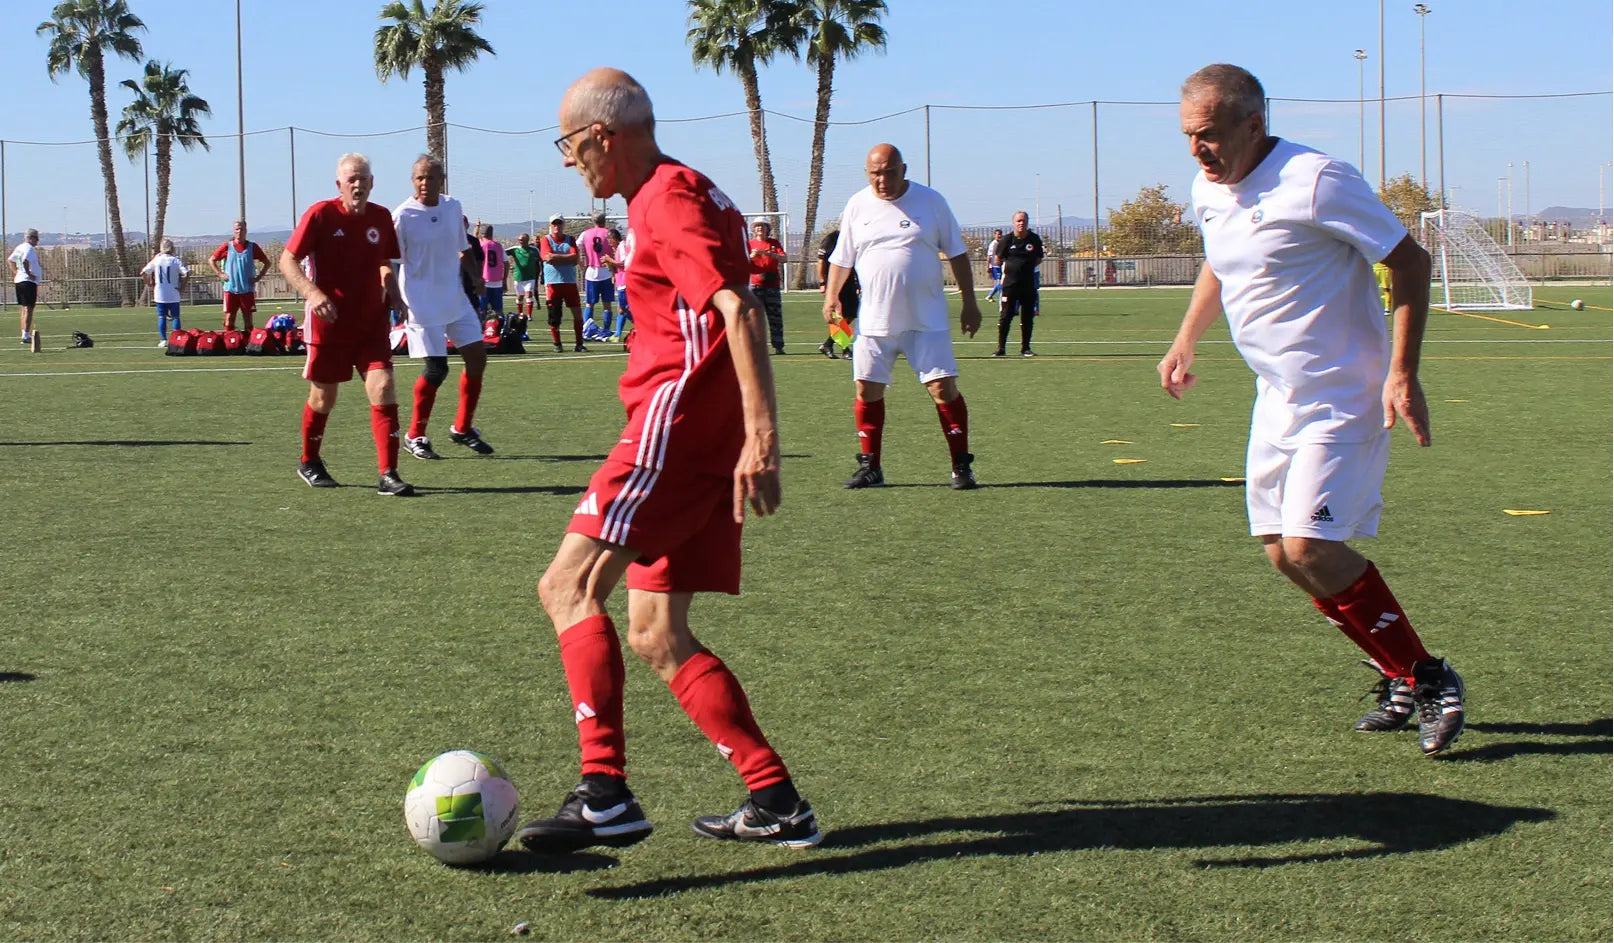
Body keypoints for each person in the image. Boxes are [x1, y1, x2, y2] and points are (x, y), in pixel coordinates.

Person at [515, 67, 820, 854]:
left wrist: (763, 435)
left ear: (602, 137)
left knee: (566, 586)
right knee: (654, 629)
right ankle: (776, 799)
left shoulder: (665, 199)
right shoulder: (693, 189)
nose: (567, 160)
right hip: (701, 440)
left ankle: (604, 791)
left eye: (569, 143)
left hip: (674, 425)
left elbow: (739, 308)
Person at [1158, 63, 1464, 756]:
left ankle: (1429, 677)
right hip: (1276, 399)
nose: (1197, 151)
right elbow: (1220, 260)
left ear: (1252, 124)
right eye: (1187, 137)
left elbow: (1409, 262)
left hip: (1342, 394)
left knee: (1310, 545)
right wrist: (1185, 338)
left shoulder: (1317, 179)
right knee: (1282, 555)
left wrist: (1402, 373)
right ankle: (1397, 674)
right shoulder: (1209, 188)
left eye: (1207, 135)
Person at [823, 143, 982, 491]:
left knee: (943, 387)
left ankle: (961, 465)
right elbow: (842, 258)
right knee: (866, 389)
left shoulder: (931, 201)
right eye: (875, 173)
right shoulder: (857, 204)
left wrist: (970, 301)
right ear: (867, 173)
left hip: (927, 319)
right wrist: (832, 296)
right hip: (874, 322)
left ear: (904, 169)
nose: (882, 180)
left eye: (889, 172)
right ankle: (871, 466)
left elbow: (956, 252)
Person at [279, 152, 414, 497]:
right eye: (351, 179)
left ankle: (389, 473)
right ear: (339, 184)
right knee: (324, 398)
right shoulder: (320, 215)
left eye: (363, 178)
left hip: (370, 323)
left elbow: (383, 261)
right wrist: (312, 293)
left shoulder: (382, 217)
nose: (358, 184)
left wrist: (394, 293)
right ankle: (309, 460)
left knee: (383, 388)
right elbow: (288, 260)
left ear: (372, 182)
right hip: (330, 325)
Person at [392, 154, 496, 461]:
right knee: (437, 369)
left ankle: (462, 428)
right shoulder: (402, 216)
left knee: (477, 359)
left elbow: (462, 248)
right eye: (419, 178)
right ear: (413, 181)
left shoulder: (452, 207)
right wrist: (393, 297)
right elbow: (389, 260)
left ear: (442, 180)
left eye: (431, 177)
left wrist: (476, 277)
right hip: (421, 303)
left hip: (454, 297)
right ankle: (415, 435)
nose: (425, 183)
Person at [993, 211, 1045, 357]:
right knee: (1006, 316)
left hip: (1028, 285)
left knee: (1027, 317)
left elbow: (1039, 258)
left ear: (1028, 222)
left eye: (1023, 221)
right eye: (1018, 221)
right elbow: (998, 259)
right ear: (1014, 223)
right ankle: (1001, 348)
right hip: (1010, 285)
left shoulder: (1034, 239)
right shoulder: (1007, 240)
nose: (1021, 223)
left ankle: (1025, 348)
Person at [209, 220, 270, 332]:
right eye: (237, 229)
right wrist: (220, 274)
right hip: (231, 289)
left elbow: (267, 263)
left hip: (247, 290)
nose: (239, 231)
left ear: (246, 230)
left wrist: (258, 277)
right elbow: (212, 260)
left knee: (248, 320)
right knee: (229, 319)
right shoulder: (227, 246)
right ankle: (230, 343)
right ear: (234, 231)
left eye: (242, 229)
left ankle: (249, 344)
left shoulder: (252, 247)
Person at [540, 213, 587, 352]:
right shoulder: (545, 240)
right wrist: (567, 258)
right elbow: (547, 258)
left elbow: (575, 258)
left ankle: (579, 343)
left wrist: (557, 257)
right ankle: (557, 344)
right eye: (554, 224)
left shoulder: (570, 240)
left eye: (559, 223)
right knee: (554, 315)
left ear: (563, 225)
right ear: (550, 225)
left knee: (577, 313)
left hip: (569, 282)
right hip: (553, 283)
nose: (557, 226)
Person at [814, 226, 859, 359]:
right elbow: (821, 261)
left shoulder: (854, 239)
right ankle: (845, 349)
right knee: (837, 315)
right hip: (834, 282)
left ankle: (828, 344)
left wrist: (857, 282)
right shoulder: (832, 238)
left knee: (851, 314)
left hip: (849, 282)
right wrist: (822, 282)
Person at [747, 219, 787, 355]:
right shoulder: (749, 244)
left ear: (767, 229)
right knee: (754, 318)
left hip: (772, 285)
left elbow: (784, 258)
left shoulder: (774, 243)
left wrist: (772, 255)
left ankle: (778, 346)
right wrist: (751, 256)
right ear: (753, 229)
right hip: (755, 285)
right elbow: (741, 262)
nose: (759, 228)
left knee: (775, 316)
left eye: (762, 226)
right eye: (757, 226)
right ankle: (755, 347)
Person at [141, 238, 189, 346]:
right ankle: (177, 340)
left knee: (161, 316)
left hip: (160, 292)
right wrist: (182, 287)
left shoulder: (157, 259)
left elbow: (143, 272)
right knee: (176, 316)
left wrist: (148, 284)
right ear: (172, 248)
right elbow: (186, 274)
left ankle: (163, 340)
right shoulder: (175, 260)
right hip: (173, 292)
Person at [578, 210, 616, 339]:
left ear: (592, 221)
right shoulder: (609, 233)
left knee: (589, 303)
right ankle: (606, 330)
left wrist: (580, 262)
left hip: (591, 271)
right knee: (607, 305)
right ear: (604, 220)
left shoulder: (585, 234)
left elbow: (575, 247)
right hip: (606, 270)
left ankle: (586, 330)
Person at [9, 229, 42, 346]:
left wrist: (16, 273)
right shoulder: (29, 248)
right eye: (36, 238)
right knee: (29, 308)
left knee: (24, 308)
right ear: (31, 238)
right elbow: (24, 261)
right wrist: (29, 274)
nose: (37, 241)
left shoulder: (20, 247)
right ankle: (26, 335)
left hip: (20, 281)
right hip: (27, 282)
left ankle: (24, 333)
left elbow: (11, 260)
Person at [508, 230, 542, 335]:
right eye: (519, 240)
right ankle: (520, 314)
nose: (520, 241)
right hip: (518, 277)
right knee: (519, 297)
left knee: (529, 294)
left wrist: (540, 272)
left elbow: (540, 260)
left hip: (530, 277)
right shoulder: (514, 249)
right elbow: (502, 253)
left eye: (522, 240)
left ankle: (529, 315)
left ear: (527, 240)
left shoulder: (534, 250)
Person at [606, 227, 633, 341]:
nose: (608, 243)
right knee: (621, 309)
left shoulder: (622, 246)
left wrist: (609, 260)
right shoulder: (619, 247)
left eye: (609, 240)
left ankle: (641, 326)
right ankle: (617, 334)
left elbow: (623, 263)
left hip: (625, 283)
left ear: (614, 238)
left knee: (623, 309)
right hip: (621, 283)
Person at [478, 224, 507, 321]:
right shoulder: (498, 246)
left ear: (482, 234)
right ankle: (499, 330)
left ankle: (481, 331)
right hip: (497, 282)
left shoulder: (480, 245)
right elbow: (506, 263)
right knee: (498, 311)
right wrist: (504, 280)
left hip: (484, 282)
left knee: (481, 310)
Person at [984, 228, 1004, 307]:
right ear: (995, 235)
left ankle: (989, 295)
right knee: (999, 283)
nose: (999, 236)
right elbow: (989, 256)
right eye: (998, 234)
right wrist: (989, 267)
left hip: (1000, 265)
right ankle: (1001, 297)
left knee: (1000, 282)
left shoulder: (1001, 243)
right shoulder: (993, 244)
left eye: (1000, 234)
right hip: (995, 266)